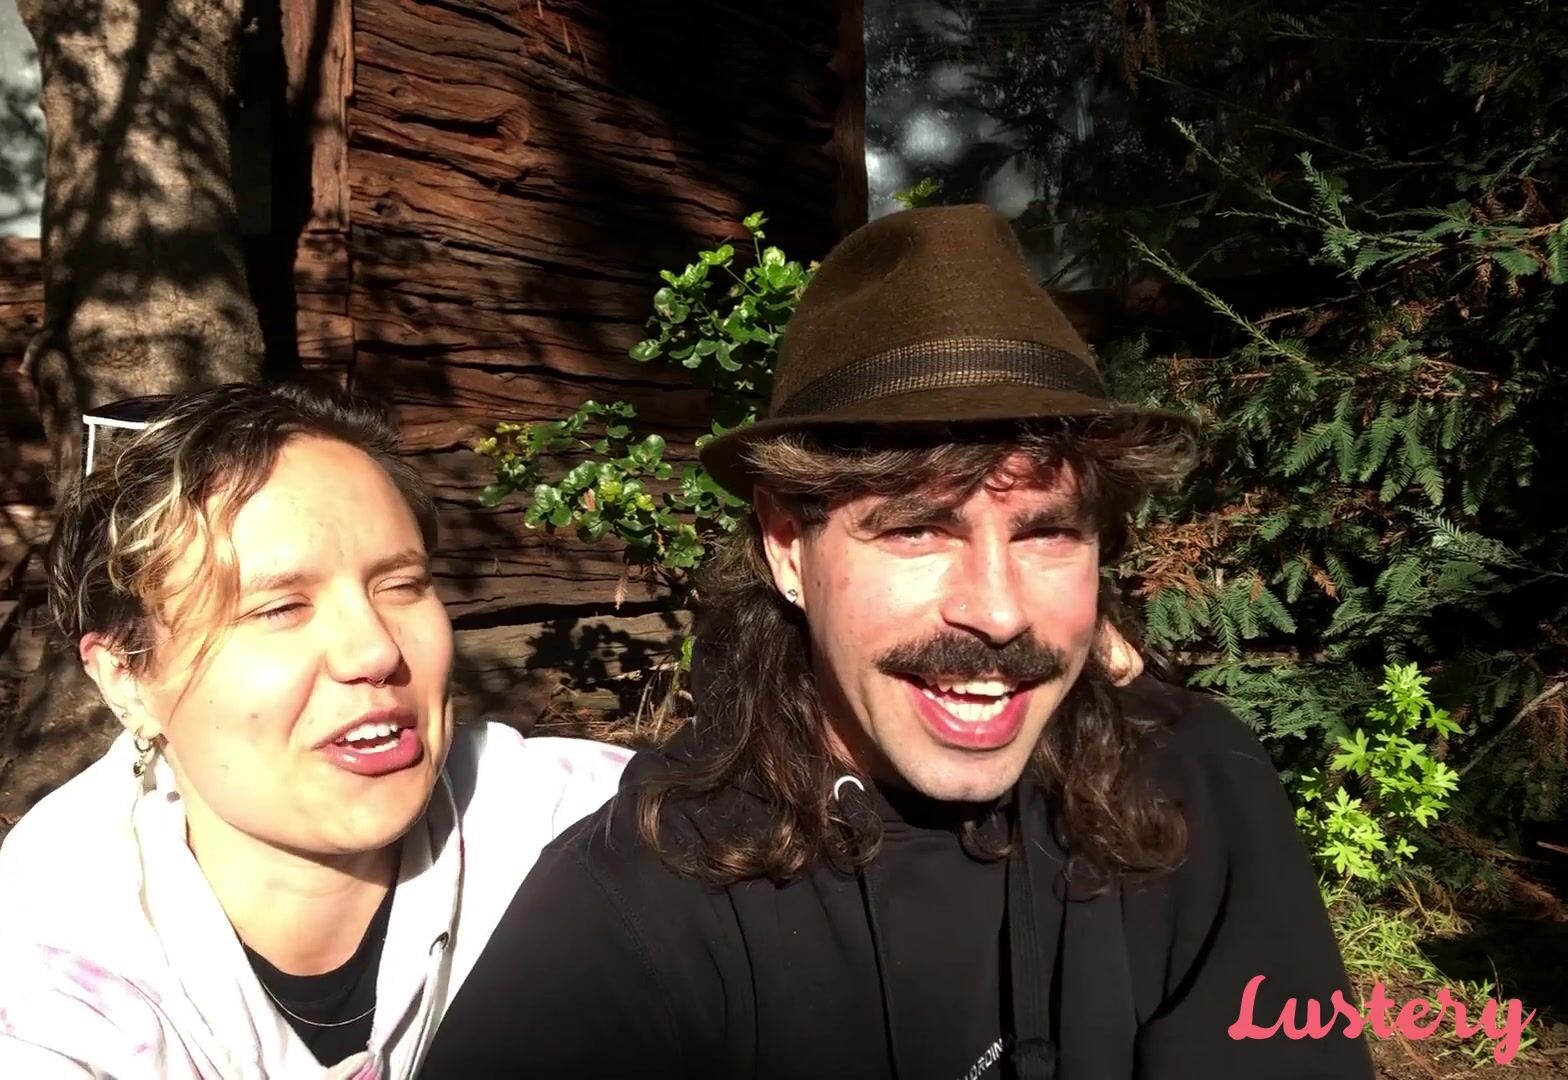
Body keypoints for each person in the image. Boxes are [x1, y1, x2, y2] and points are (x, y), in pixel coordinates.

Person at [418, 205, 1374, 1079]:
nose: (998, 613)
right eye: (918, 529)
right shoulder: (639, 918)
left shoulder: (1190, 786)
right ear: (788, 547)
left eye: (1046, 533)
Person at [0, 381, 631, 1080]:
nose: (374, 651)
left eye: (401, 585)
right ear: (125, 676)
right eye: (278, 608)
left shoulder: (607, 835)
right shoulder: (10, 1013)